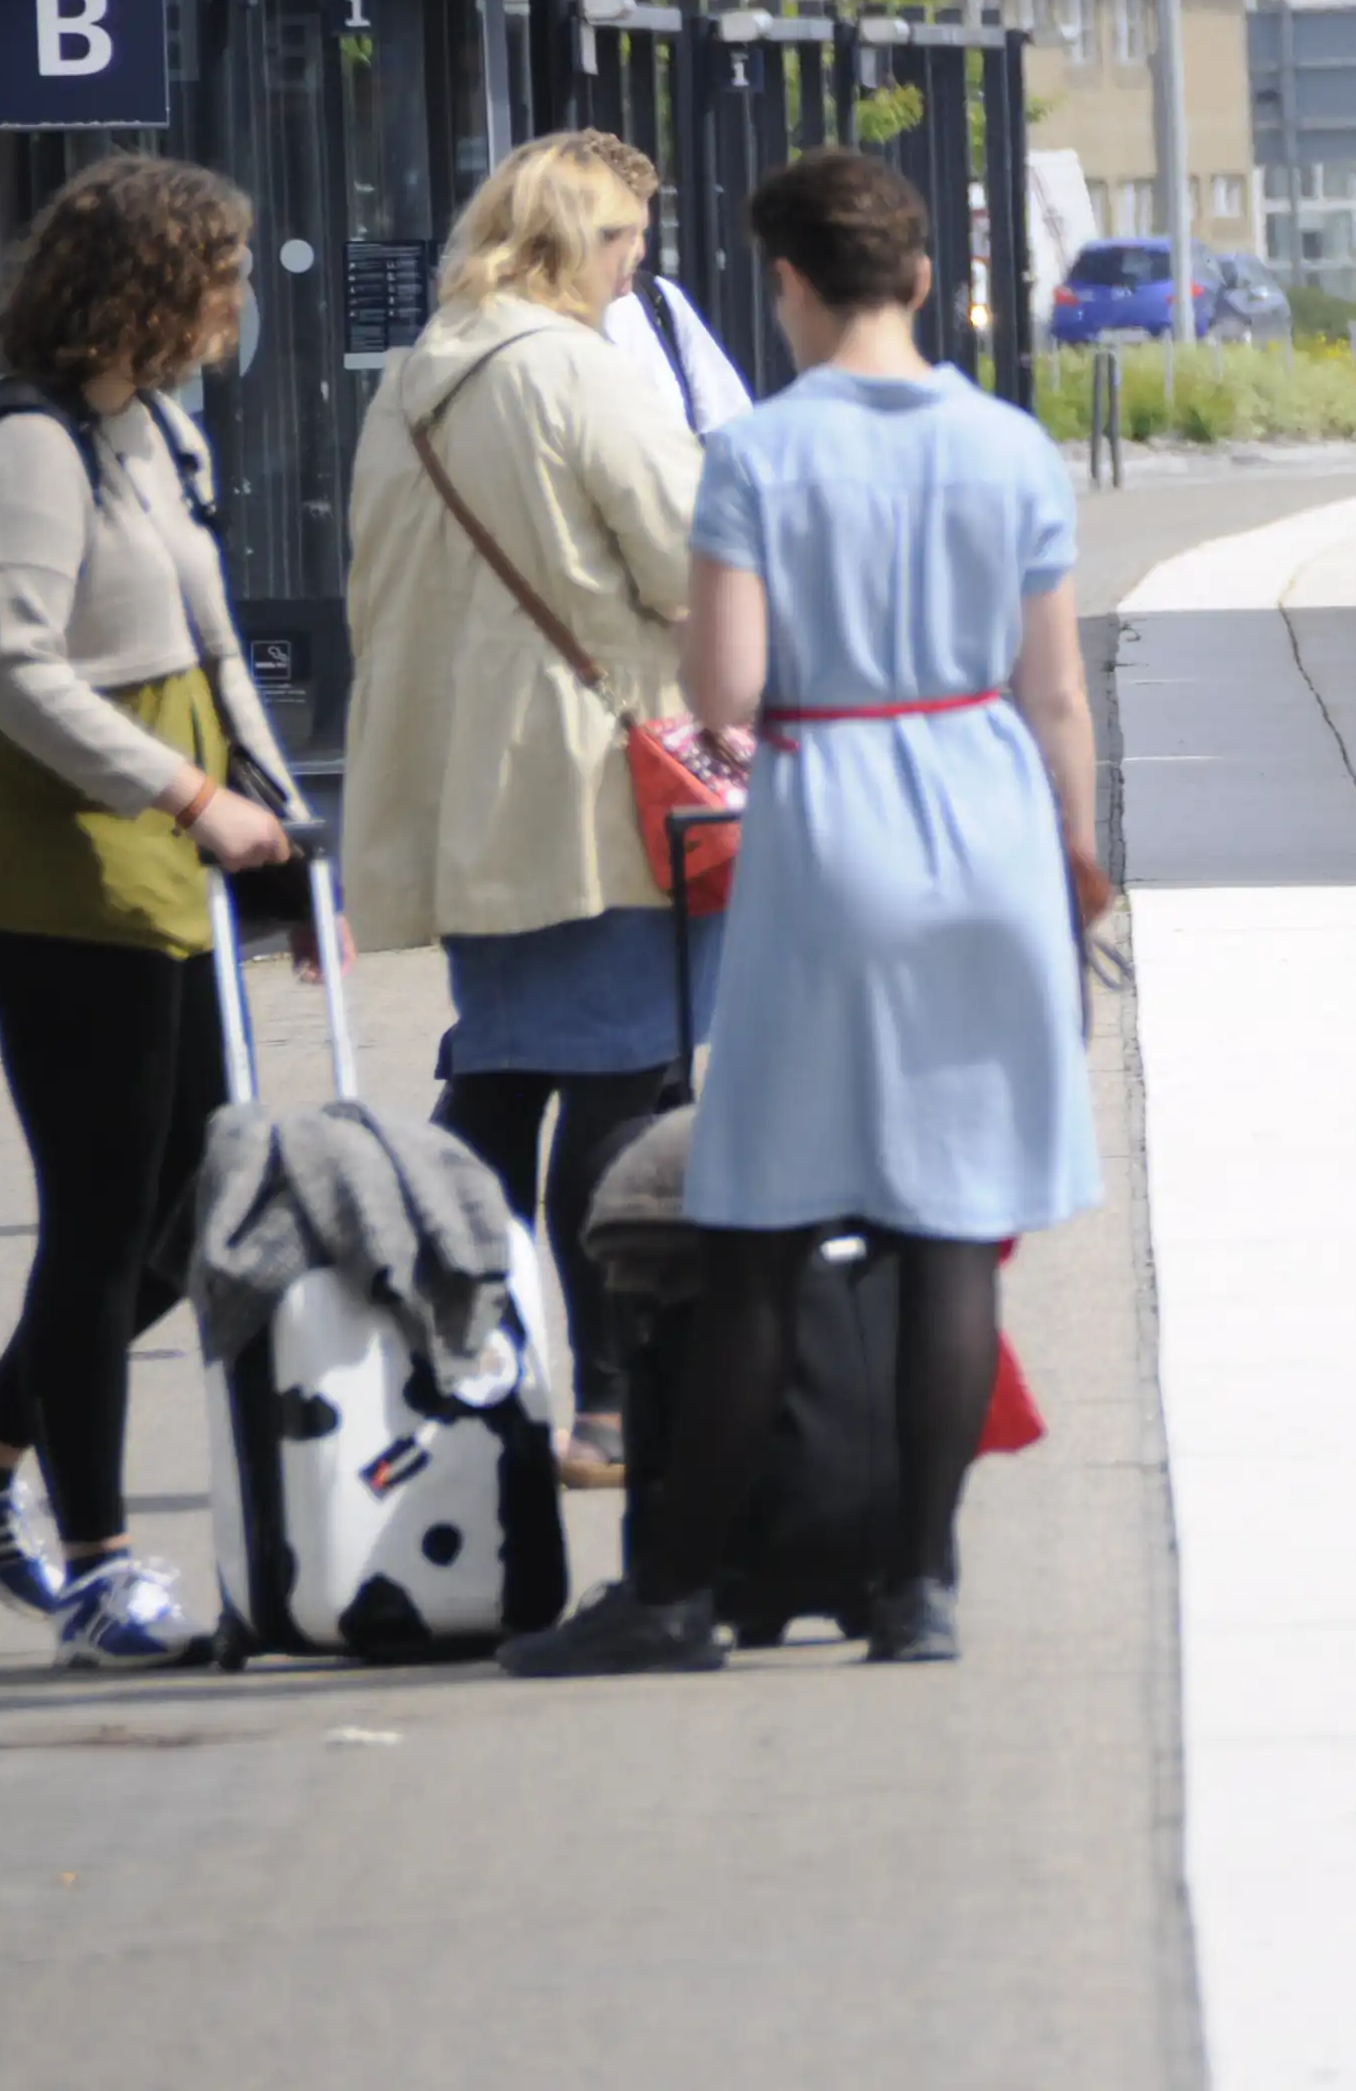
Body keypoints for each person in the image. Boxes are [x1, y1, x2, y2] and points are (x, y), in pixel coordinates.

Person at [502, 149, 1104, 1675]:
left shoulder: (762, 457)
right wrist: (1077, 854)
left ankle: (683, 1596)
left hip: (830, 816)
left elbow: (726, 694)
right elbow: (1057, 697)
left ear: (789, 284)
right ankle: (917, 1591)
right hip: (985, 823)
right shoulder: (1013, 446)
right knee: (955, 1229)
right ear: (918, 278)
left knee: (763, 1232)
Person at [0, 154, 305, 1668]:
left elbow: (205, 630)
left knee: (180, 1213)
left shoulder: (138, 430)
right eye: (222, 273)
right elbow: (15, 667)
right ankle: (95, 1564)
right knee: (98, 1223)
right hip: (67, 861)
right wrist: (192, 795)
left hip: (154, 848)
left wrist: (269, 809)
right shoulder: (23, 452)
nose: (238, 304)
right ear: (152, 287)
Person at [344, 132, 713, 1490]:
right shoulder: (575, 370)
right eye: (625, 242)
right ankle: (609, 1402)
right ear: (579, 244)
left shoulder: (413, 378)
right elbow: (689, 558)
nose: (638, 270)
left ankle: (431, 1350)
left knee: (500, 1074)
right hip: (590, 778)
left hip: (461, 779)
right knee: (619, 1086)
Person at [581, 133, 755, 437]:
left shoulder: (658, 302)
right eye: (627, 235)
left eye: (642, 233)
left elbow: (729, 429)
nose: (639, 252)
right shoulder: (528, 324)